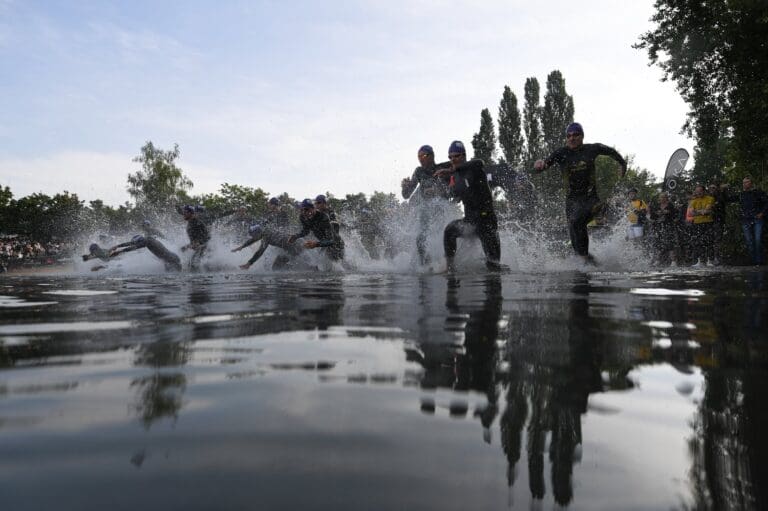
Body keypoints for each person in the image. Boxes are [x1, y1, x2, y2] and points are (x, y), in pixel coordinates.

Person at [533, 122, 627, 264]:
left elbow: (612, 152)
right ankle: (592, 263)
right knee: (574, 236)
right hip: (571, 201)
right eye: (569, 136)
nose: (572, 138)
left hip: (591, 199)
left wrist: (623, 164)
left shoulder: (592, 149)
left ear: (582, 136)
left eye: (576, 135)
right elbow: (545, 165)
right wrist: (539, 165)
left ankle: (585, 262)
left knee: (577, 222)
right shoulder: (561, 153)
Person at [435, 140, 502, 272]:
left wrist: (451, 170)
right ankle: (450, 267)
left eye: (457, 156)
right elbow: (453, 196)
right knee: (449, 230)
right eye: (451, 157)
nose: (453, 159)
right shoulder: (457, 177)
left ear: (464, 155)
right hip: (470, 222)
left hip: (486, 222)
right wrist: (440, 192)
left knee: (493, 266)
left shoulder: (474, 168)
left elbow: (480, 162)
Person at [401, 144, 452, 265]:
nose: (421, 159)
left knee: (442, 236)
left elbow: (454, 189)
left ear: (432, 155)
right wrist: (405, 187)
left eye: (423, 156)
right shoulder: (419, 171)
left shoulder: (444, 167)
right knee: (420, 239)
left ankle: (447, 262)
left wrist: (439, 190)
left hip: (440, 208)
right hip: (425, 210)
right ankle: (425, 266)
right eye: (419, 156)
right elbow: (406, 195)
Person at [730, 176, 768, 265]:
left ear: (751, 183)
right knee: (749, 241)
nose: (744, 184)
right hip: (745, 220)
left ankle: (759, 261)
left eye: (747, 182)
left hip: (757, 219)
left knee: (758, 239)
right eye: (743, 182)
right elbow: (729, 199)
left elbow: (766, 202)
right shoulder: (741, 194)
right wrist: (722, 190)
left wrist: (762, 213)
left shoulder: (758, 192)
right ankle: (754, 261)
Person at [232, 222, 301, 270]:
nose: (252, 237)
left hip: (294, 248)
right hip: (295, 245)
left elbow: (259, 252)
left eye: (253, 235)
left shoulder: (266, 237)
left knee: (276, 268)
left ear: (258, 233)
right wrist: (242, 246)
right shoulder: (266, 232)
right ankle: (294, 269)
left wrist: (249, 264)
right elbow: (253, 240)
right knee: (278, 266)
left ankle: (293, 274)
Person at [109, 235, 182, 271]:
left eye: (135, 243)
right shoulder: (148, 239)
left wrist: (120, 251)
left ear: (139, 241)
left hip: (172, 260)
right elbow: (131, 244)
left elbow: (135, 247)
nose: (135, 244)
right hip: (170, 260)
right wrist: (118, 246)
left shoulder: (147, 241)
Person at [687, 184, 715, 266]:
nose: (698, 193)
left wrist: (698, 211)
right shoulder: (693, 201)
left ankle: (710, 260)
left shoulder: (710, 198)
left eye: (700, 191)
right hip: (697, 223)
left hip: (708, 222)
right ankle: (700, 261)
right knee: (698, 242)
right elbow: (691, 213)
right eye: (697, 191)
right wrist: (701, 212)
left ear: (704, 191)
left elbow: (707, 210)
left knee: (709, 241)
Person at [648, 192, 679, 266]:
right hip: (658, 227)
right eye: (661, 197)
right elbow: (652, 216)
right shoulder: (656, 206)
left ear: (666, 198)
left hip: (668, 226)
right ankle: (658, 260)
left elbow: (675, 215)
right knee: (658, 243)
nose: (662, 199)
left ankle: (673, 261)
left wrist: (668, 212)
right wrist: (657, 213)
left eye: (664, 197)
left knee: (670, 243)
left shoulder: (670, 205)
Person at [180, 204, 210, 270]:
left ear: (191, 213)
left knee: (193, 265)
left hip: (205, 248)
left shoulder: (195, 223)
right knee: (191, 265)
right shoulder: (191, 222)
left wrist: (193, 245)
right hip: (202, 247)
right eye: (183, 212)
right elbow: (195, 241)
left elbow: (205, 238)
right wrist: (188, 246)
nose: (183, 214)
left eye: (185, 212)